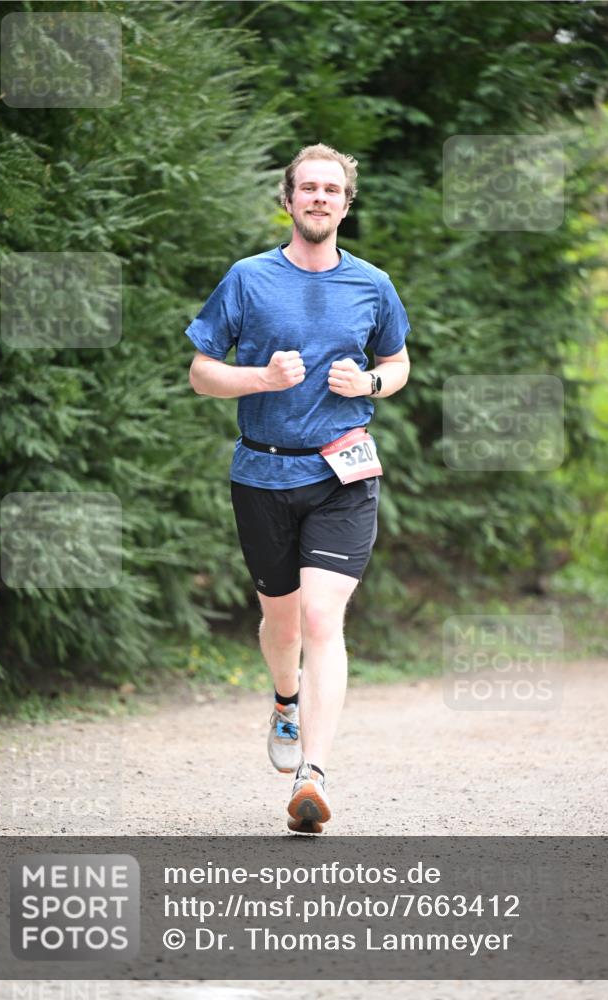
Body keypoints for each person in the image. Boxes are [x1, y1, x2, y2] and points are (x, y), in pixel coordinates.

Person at [186, 143, 410, 833]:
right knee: (281, 624)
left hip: (343, 472)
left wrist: (370, 381)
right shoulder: (248, 279)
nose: (319, 198)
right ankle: (285, 700)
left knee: (320, 619)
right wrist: (260, 378)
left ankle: (312, 775)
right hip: (262, 473)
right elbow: (200, 371)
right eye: (308, 188)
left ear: (346, 204)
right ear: (288, 200)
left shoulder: (372, 284)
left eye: (331, 190)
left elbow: (397, 361)